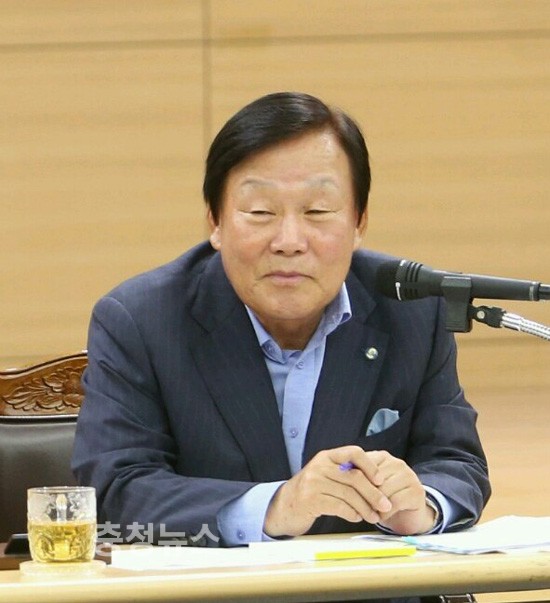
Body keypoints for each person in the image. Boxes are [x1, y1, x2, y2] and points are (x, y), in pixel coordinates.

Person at [72, 92, 490, 559]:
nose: (289, 241)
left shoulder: (412, 309)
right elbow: (116, 490)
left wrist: (423, 504)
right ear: (215, 222)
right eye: (260, 213)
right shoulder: (140, 320)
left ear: (359, 222)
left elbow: (457, 462)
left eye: (317, 212)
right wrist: (274, 507)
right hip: (216, 589)